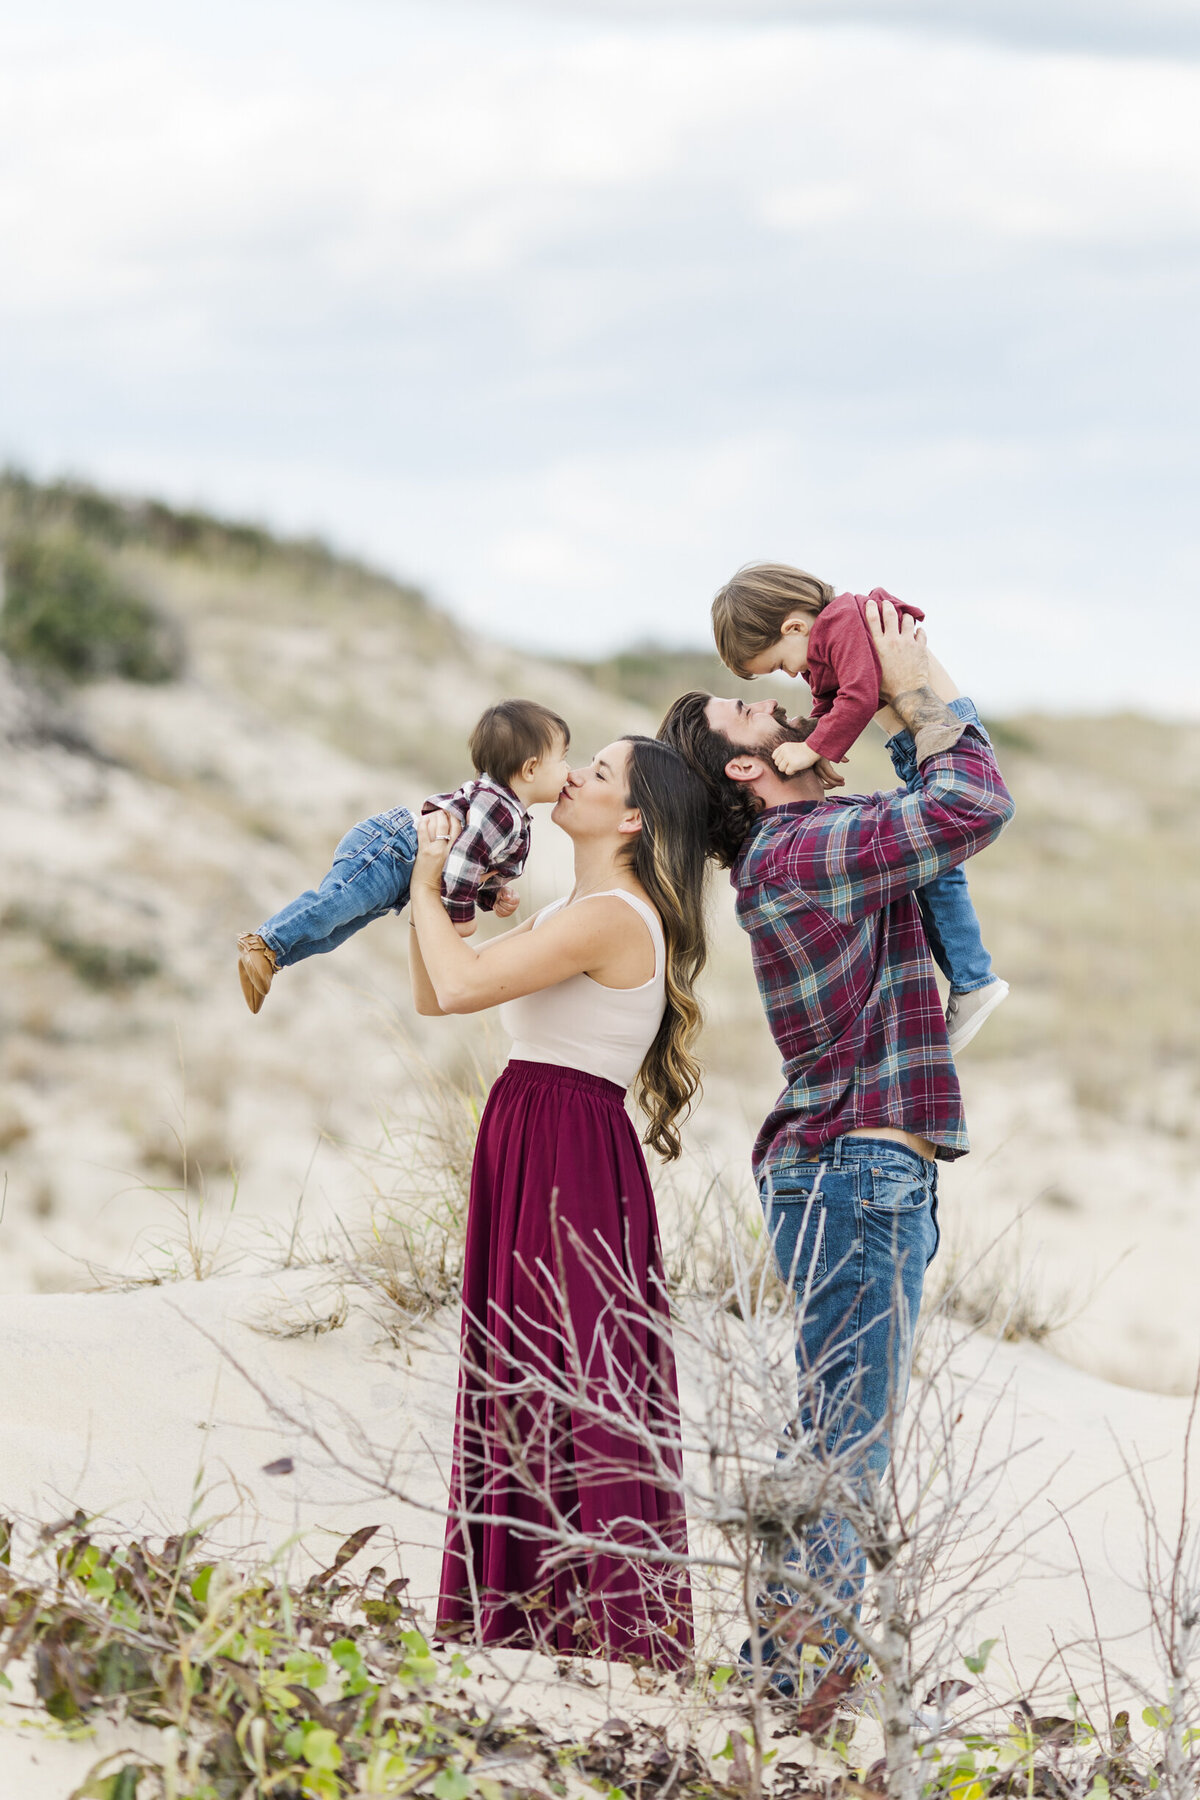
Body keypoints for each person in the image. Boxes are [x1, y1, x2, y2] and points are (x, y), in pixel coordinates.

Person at [659, 600, 1014, 1691]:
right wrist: (925, 684)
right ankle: (789, 1681)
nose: (778, 702)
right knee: (841, 1447)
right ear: (753, 776)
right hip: (858, 1174)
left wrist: (907, 699)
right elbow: (971, 805)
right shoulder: (808, 846)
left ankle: (792, 1667)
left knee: (834, 1434)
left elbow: (930, 809)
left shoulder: (806, 846)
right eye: (749, 712)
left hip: (853, 1171)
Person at [408, 734, 710, 1669]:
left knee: (577, 1374)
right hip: (530, 1125)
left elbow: (455, 983)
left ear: (631, 819)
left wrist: (423, 880)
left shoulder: (615, 914)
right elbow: (436, 991)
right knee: (519, 1363)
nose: (571, 774)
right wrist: (445, 900)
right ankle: (525, 1611)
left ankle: (605, 1625)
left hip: (568, 1141)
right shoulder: (579, 906)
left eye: (601, 772)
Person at [711, 563, 1008, 1052]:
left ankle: (973, 978)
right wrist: (817, 744)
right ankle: (973, 979)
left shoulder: (842, 622)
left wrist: (814, 751)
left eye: (782, 665)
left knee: (941, 864)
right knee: (937, 867)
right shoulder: (825, 644)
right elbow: (834, 704)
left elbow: (860, 694)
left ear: (794, 627)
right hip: (921, 736)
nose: (793, 675)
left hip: (939, 731)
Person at [235, 700, 571, 1012]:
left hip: (400, 863)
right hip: (392, 851)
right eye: (563, 759)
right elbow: (462, 864)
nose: (569, 770)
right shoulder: (502, 810)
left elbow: (471, 864)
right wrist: (462, 917)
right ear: (530, 769)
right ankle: (265, 942)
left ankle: (272, 959)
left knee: (337, 929)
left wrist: (492, 894)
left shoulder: (505, 810)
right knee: (336, 906)